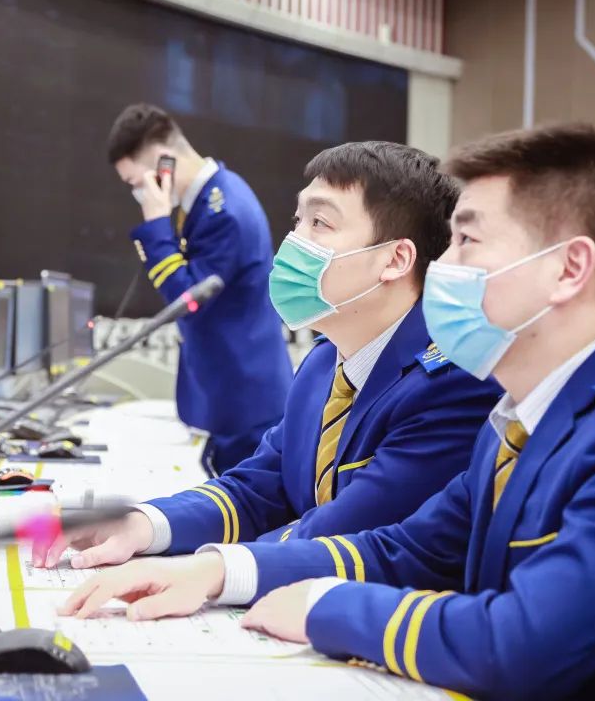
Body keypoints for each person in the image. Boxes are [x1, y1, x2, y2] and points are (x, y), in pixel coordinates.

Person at [61, 124, 595, 699]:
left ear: (569, 268)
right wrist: (217, 572)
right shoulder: (527, 416)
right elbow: (406, 548)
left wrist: (326, 607)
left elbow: (520, 644)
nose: (444, 266)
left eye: (468, 241)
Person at [36, 141, 501, 570]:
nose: (293, 242)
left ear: (395, 260)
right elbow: (258, 489)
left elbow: (346, 531)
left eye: (320, 223)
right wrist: (145, 524)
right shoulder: (322, 365)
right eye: (298, 221)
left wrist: (213, 570)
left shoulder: (450, 385)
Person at [109, 103, 293, 475]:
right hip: (235, 393)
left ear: (163, 164)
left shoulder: (223, 211)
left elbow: (186, 300)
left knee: (241, 508)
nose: (138, 194)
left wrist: (156, 225)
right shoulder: (212, 198)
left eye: (135, 183)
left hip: (244, 401)